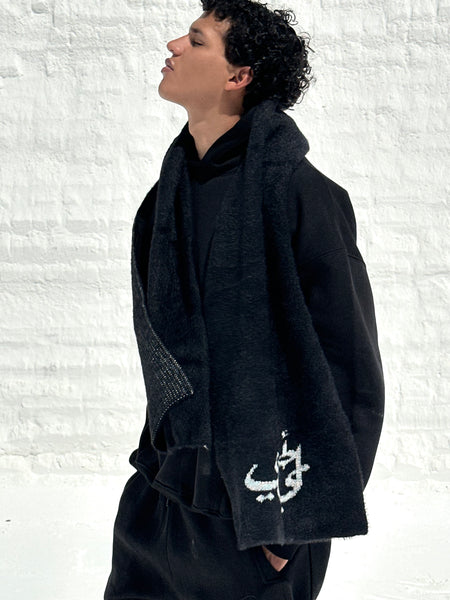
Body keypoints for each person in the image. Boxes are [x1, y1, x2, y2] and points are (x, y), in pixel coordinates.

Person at [104, 1, 385, 599]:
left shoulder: (301, 195)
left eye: (197, 40)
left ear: (239, 75)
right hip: (160, 501)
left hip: (261, 517)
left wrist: (293, 530)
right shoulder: (164, 201)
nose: (174, 45)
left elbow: (352, 371)